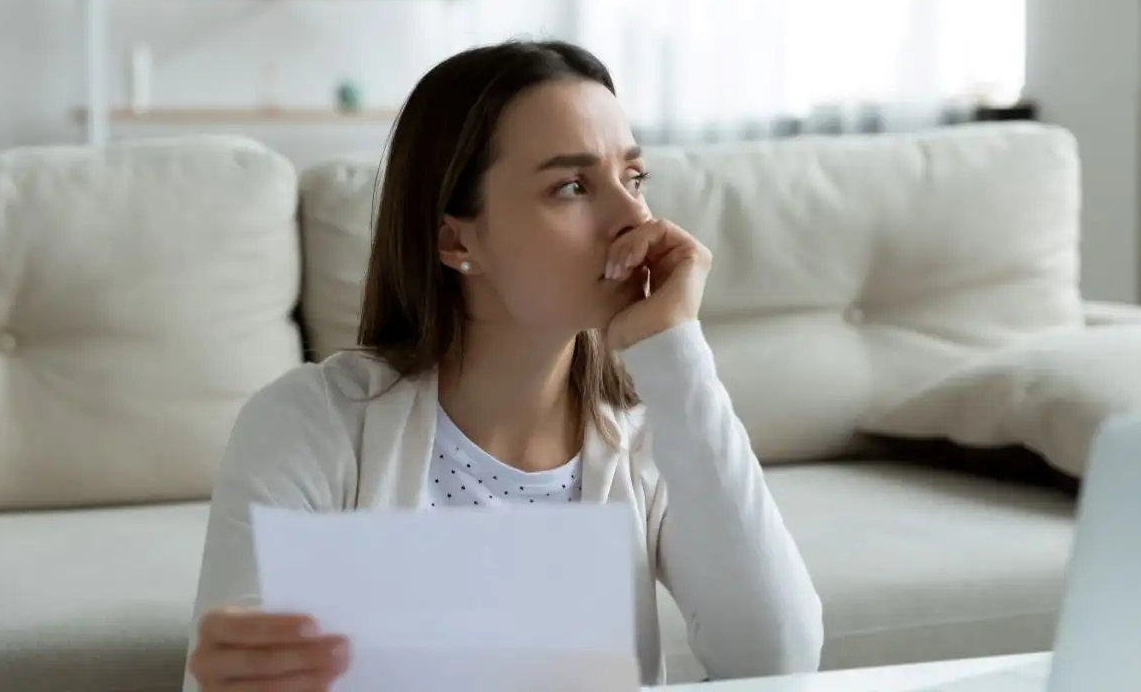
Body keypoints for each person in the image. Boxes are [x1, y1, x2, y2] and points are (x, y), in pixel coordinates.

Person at [183, 39, 823, 692]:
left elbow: (777, 660)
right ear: (457, 240)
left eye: (633, 178)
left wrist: (674, 347)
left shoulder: (653, 432)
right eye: (571, 186)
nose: (635, 218)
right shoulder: (309, 425)